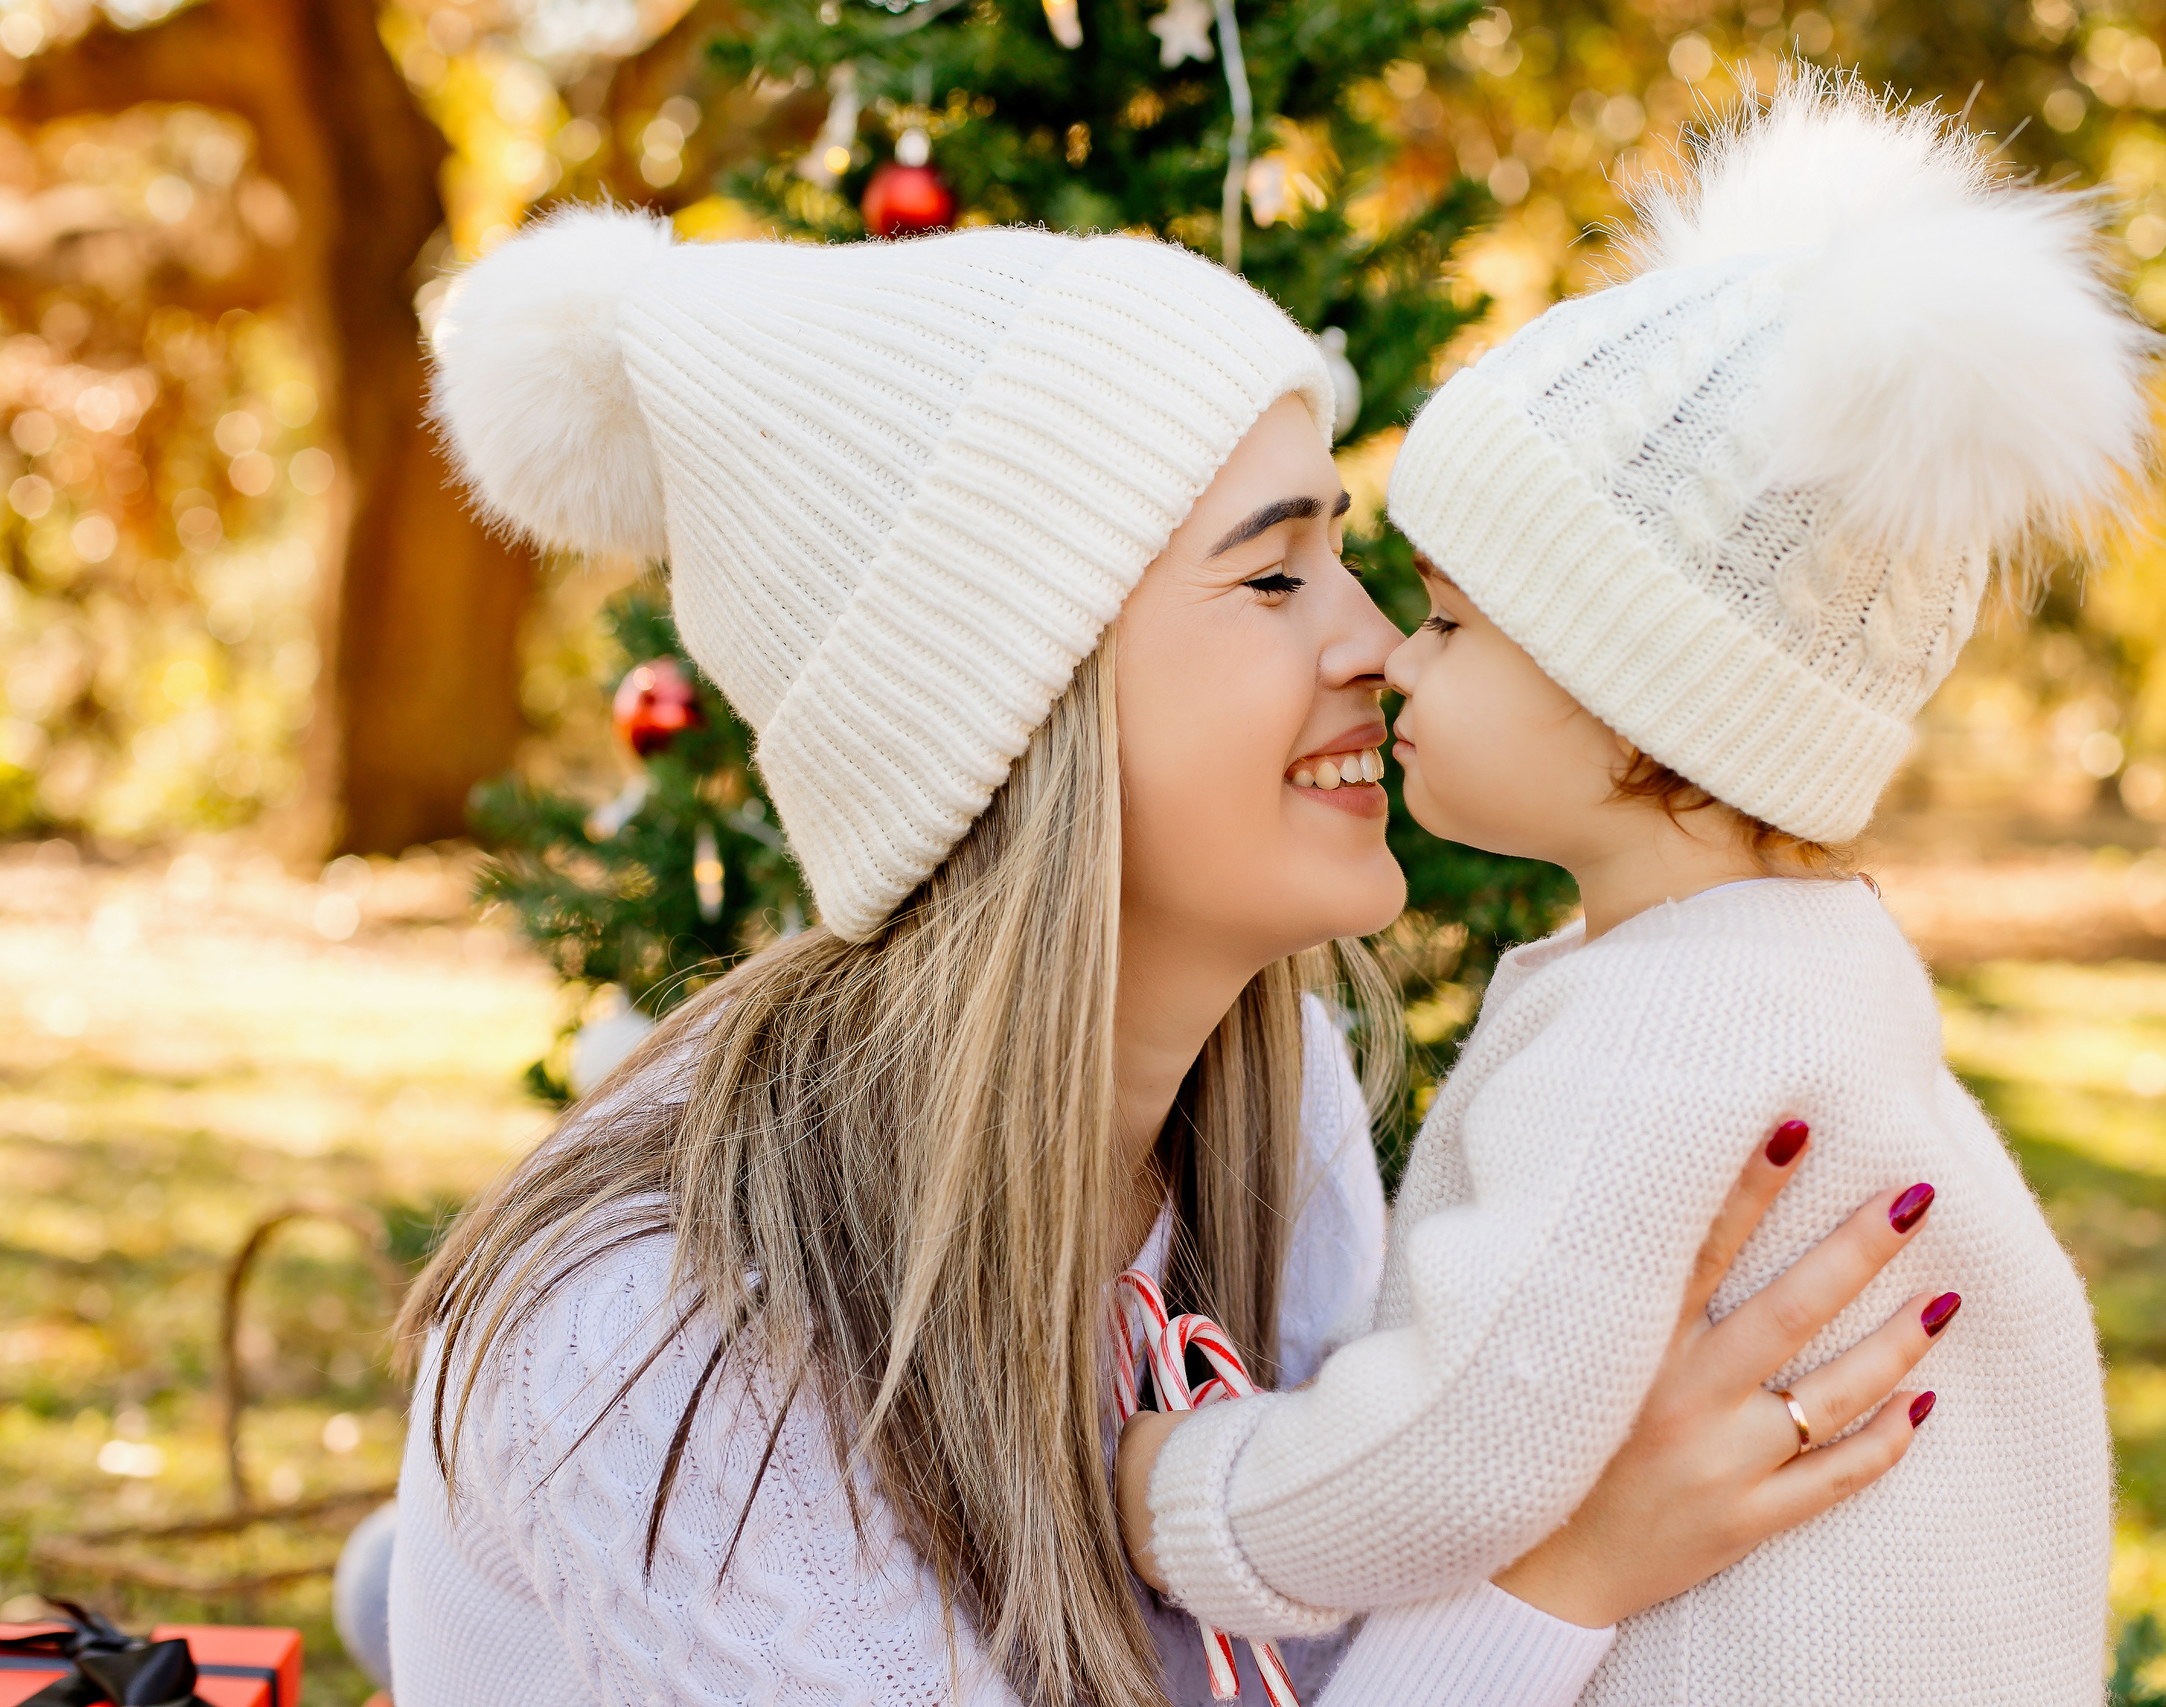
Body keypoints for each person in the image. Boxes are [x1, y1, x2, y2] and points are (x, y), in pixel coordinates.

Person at [385, 204, 1951, 1707]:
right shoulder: (666, 1317)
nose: (1377, 645)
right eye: (1274, 578)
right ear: (1016, 714)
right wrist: (1567, 1573)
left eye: (1345, 557)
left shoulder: (1281, 1122)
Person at [1117, 72, 2157, 1704]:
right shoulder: (1799, 969)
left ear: (1634, 697)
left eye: (1453, 623)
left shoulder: (1663, 1031)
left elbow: (1464, 1441)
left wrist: (1172, 1493)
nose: (1392, 658)